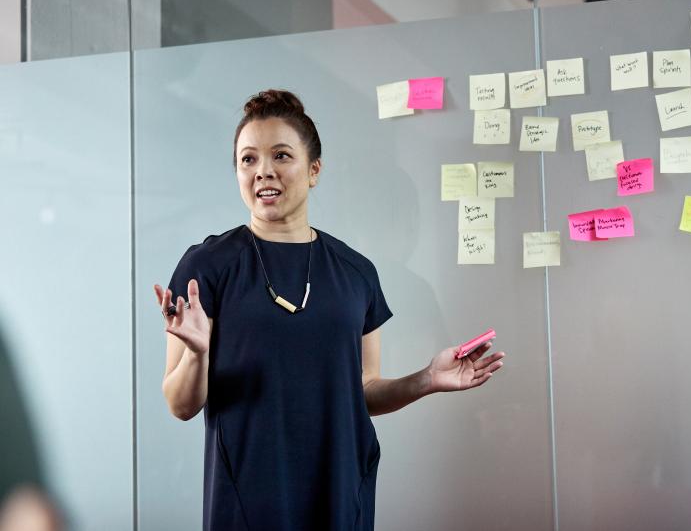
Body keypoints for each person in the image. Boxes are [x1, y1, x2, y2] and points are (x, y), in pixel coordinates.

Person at [153, 89, 506, 531]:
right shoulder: (206, 267)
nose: (264, 170)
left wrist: (426, 380)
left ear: (314, 170)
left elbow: (362, 391)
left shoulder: (356, 273)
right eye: (248, 159)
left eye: (281, 155)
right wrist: (200, 354)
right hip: (246, 497)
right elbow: (180, 405)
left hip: (338, 492)